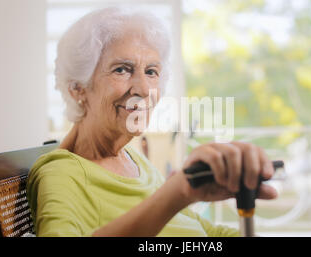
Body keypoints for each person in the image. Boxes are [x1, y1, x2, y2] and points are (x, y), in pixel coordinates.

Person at [26, 7, 278, 237]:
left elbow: (203, 232)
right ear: (78, 88)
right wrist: (177, 193)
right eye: (122, 69)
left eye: (151, 71)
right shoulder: (61, 172)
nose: (144, 89)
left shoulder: (133, 160)